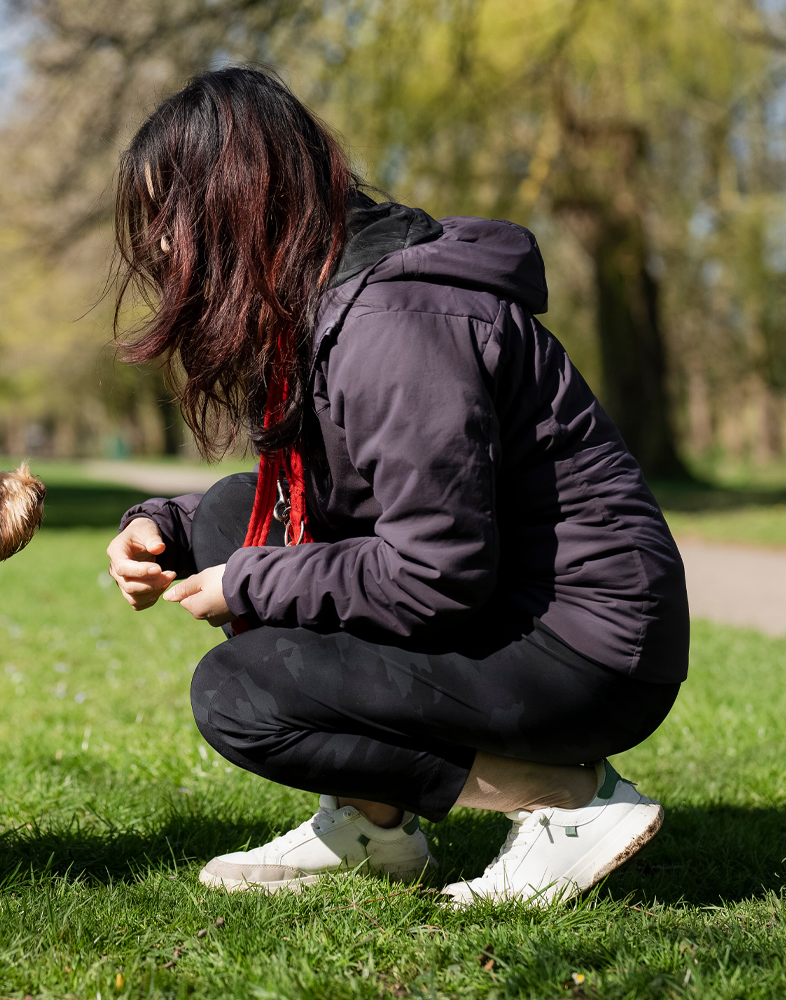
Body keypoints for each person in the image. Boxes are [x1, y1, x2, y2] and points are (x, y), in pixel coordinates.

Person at [102, 67, 690, 905]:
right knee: (228, 519)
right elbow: (327, 503)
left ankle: (569, 804)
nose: (160, 244)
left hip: (586, 650)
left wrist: (250, 581)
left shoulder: (393, 328)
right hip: (513, 610)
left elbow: (435, 575)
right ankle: (375, 826)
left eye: (172, 215)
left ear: (235, 203)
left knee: (242, 695)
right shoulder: (335, 299)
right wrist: (159, 525)